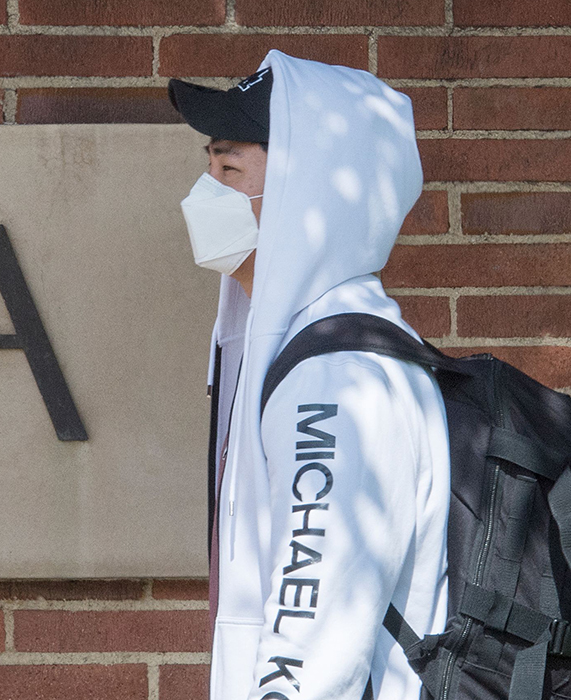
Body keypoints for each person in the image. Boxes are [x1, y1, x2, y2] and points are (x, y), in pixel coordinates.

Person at [168, 51, 452, 700]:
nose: (204, 191)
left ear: (309, 186)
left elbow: (312, 654)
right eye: (207, 164)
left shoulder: (336, 380)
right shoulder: (316, 353)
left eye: (229, 166)